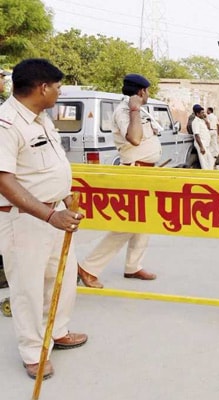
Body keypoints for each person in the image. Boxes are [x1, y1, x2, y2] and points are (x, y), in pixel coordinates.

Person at [0, 58, 87, 380]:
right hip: (26, 219)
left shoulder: (41, 119)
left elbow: (48, 164)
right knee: (28, 288)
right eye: (58, 87)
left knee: (60, 280)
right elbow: (4, 180)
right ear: (43, 87)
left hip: (56, 215)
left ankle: (57, 331)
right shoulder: (6, 123)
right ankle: (33, 352)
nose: (60, 93)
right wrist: (50, 214)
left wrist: (65, 196)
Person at [77, 73, 160, 289]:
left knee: (146, 221)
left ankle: (133, 266)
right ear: (141, 92)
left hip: (146, 172)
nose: (148, 94)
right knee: (127, 224)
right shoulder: (125, 111)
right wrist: (133, 109)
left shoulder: (140, 110)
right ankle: (88, 267)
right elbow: (134, 138)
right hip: (134, 173)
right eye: (147, 91)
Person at [191, 104, 215, 170]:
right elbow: (196, 135)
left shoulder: (202, 120)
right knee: (205, 163)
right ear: (197, 114)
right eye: (202, 113)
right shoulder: (195, 122)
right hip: (201, 144)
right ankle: (206, 176)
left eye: (203, 112)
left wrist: (205, 119)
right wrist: (201, 147)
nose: (203, 114)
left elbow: (209, 127)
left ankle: (209, 174)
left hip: (205, 144)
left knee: (210, 160)